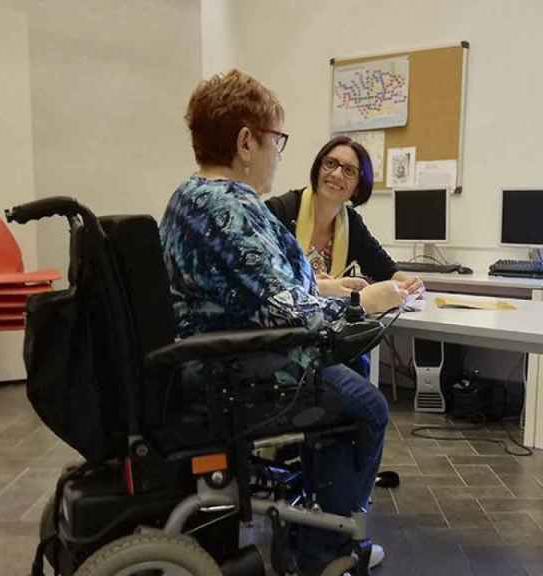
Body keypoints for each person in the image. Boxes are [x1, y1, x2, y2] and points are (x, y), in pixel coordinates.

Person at [159, 69, 400, 575]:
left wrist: (331, 291)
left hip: (225, 358)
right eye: (277, 140)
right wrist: (364, 304)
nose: (279, 153)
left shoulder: (193, 196)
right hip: (241, 373)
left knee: (349, 371)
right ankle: (323, 551)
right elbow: (287, 309)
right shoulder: (229, 209)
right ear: (247, 142)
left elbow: (270, 285)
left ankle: (311, 528)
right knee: (368, 407)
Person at [265, 136, 424, 298]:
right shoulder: (280, 211)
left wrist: (411, 284)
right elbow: (261, 279)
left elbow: (384, 269)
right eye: (330, 163)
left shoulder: (352, 223)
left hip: (328, 318)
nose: (337, 174)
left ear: (357, 187)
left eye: (349, 170)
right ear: (318, 168)